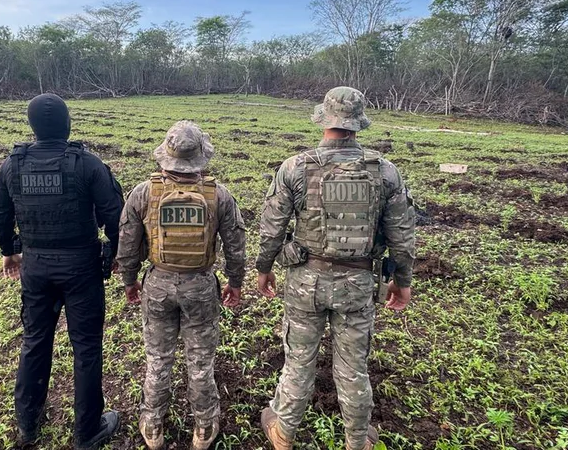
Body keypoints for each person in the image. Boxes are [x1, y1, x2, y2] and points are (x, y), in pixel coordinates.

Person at [256, 87, 416, 450]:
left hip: (304, 283)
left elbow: (271, 229)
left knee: (298, 360)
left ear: (324, 119)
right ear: (358, 123)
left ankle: (283, 432)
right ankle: (357, 440)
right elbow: (401, 236)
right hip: (358, 283)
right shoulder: (385, 171)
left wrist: (263, 268)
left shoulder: (295, 166)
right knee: (353, 367)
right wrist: (402, 281)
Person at [0, 93, 124, 449]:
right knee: (87, 347)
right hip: (81, 268)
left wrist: (9, 251)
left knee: (35, 341)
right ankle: (87, 430)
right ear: (67, 125)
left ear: (32, 128)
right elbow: (116, 217)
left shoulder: (11, 165)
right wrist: (114, 253)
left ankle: (28, 423)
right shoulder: (88, 164)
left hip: (35, 266)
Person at [117, 120, 247, 450]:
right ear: (201, 156)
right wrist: (235, 283)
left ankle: (153, 424)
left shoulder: (144, 193)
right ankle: (204, 429)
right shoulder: (219, 195)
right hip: (201, 287)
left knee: (157, 360)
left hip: (158, 284)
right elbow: (235, 245)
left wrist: (130, 282)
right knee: (201, 363)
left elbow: (128, 245)